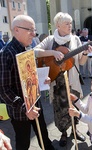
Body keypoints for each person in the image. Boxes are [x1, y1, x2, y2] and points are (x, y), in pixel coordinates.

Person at [34, 12, 92, 147]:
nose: (70, 26)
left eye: (71, 23)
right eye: (67, 23)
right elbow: (35, 52)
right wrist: (53, 52)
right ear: (58, 25)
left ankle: (74, 129)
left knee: (74, 106)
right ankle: (63, 133)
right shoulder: (49, 40)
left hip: (72, 81)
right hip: (56, 82)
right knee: (60, 110)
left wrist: (85, 53)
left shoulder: (76, 40)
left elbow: (82, 63)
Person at [0, 15, 55, 150]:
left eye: (34, 29)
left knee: (43, 135)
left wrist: (41, 81)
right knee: (23, 143)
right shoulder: (6, 53)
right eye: (30, 30)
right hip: (20, 111)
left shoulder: (27, 49)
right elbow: (3, 90)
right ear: (16, 30)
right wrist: (25, 108)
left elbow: (29, 76)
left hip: (35, 102)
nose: (34, 34)